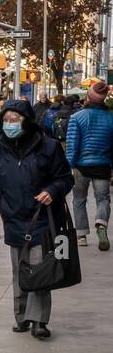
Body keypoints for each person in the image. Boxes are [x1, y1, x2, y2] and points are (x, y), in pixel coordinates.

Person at [0, 99, 75, 338]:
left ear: (27, 122)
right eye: (7, 120)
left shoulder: (49, 147)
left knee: (39, 268)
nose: (10, 124)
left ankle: (39, 320)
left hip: (41, 218)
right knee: (20, 270)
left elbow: (66, 179)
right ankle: (21, 316)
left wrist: (51, 191)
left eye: (15, 120)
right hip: (13, 217)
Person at [66, 81, 112, 250]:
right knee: (103, 198)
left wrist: (67, 168)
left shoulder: (76, 117)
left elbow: (72, 145)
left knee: (78, 199)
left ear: (88, 97)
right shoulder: (111, 118)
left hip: (81, 166)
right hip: (103, 165)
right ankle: (101, 222)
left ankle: (81, 235)